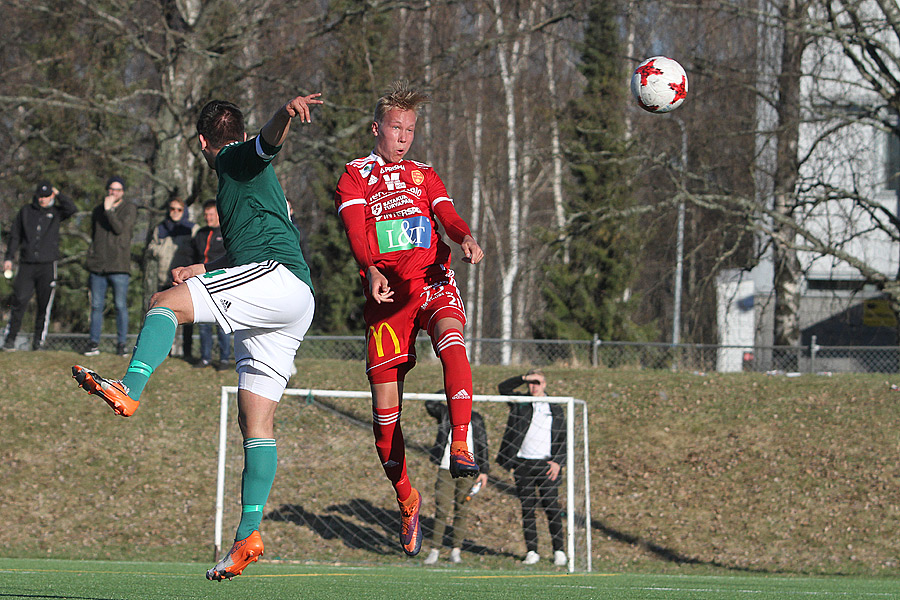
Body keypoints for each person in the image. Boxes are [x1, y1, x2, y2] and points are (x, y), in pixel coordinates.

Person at [70, 92, 322, 581]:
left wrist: (284, 115)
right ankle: (247, 535)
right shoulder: (249, 185)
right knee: (256, 422)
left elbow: (265, 144)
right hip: (294, 300)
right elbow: (254, 242)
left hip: (277, 279)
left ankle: (130, 388)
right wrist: (204, 267)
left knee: (162, 304)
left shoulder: (233, 158)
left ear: (202, 142)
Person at [333, 80, 485, 557]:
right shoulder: (355, 175)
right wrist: (371, 266)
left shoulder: (424, 173)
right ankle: (406, 497)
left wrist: (463, 236)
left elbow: (448, 213)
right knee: (384, 422)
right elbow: (357, 230)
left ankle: (461, 443)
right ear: (377, 128)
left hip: (433, 279)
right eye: (396, 128)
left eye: (411, 129)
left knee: (453, 342)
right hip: (385, 299)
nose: (403, 137)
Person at [496, 369, 568, 567]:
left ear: (545, 384)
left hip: (547, 465)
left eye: (538, 382)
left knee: (551, 508)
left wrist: (558, 462)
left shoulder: (555, 407)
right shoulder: (520, 403)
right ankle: (532, 550)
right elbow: (503, 388)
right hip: (523, 464)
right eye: (531, 382)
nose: (534, 386)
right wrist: (523, 378)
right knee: (527, 509)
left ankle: (559, 550)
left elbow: (563, 437)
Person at [2, 182, 77, 351]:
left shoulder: (56, 212)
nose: (42, 200)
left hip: (47, 265)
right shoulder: (26, 211)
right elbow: (15, 236)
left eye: (46, 196)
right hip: (27, 264)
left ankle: (38, 342)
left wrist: (58, 194)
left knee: (44, 304)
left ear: (51, 195)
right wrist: (9, 257)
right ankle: (10, 339)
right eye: (40, 196)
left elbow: (71, 209)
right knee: (19, 300)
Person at [422, 398, 489, 565]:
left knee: (462, 510)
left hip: (467, 470)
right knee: (442, 509)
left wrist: (485, 470)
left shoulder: (476, 418)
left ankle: (456, 550)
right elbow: (430, 404)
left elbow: (482, 444)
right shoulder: (446, 414)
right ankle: (435, 550)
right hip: (446, 468)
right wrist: (448, 389)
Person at [84, 176, 137, 357]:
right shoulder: (97, 211)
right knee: (96, 306)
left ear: (123, 192)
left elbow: (120, 229)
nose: (113, 193)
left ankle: (121, 344)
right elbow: (94, 235)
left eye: (118, 189)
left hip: (119, 266)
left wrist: (109, 211)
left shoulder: (128, 209)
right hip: (98, 266)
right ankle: (93, 343)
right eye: (111, 189)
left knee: (120, 306)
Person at [145, 197, 197, 360]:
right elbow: (151, 247)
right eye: (172, 209)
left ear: (184, 211)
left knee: (188, 318)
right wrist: (162, 248)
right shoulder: (161, 228)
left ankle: (187, 352)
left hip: (185, 280)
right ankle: (163, 353)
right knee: (163, 317)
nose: (175, 212)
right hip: (164, 277)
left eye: (179, 209)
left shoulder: (191, 228)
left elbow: (198, 249)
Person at [190, 199, 232, 370]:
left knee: (222, 324)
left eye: (211, 214)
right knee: (204, 323)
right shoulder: (200, 234)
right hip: (202, 283)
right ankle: (205, 357)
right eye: (206, 214)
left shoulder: (227, 232)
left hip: (222, 282)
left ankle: (224, 359)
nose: (208, 218)